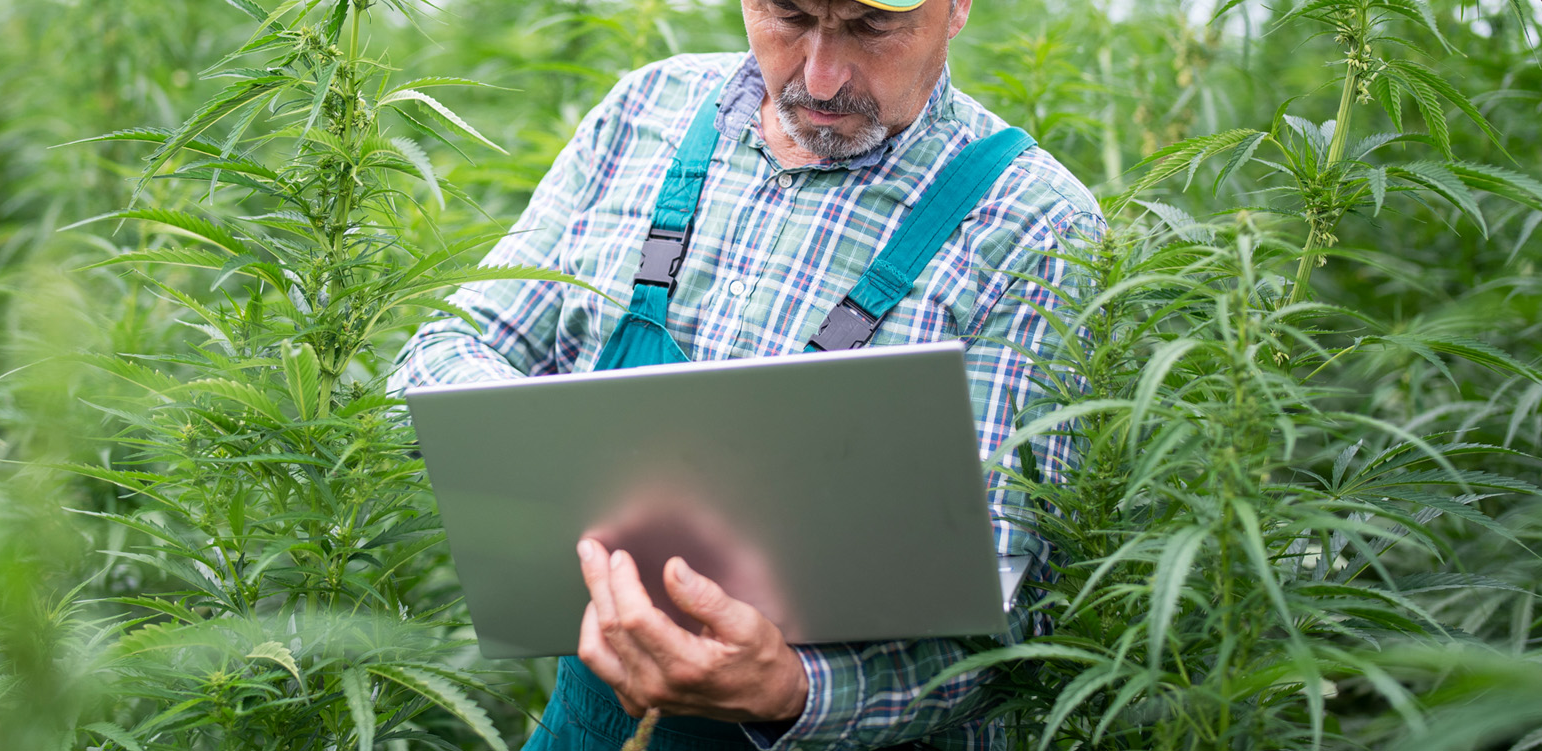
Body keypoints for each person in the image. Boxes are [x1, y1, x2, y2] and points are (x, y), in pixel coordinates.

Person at [394, 0, 1101, 747]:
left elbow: (1016, 613)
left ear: (955, 9)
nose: (821, 77)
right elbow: (450, 343)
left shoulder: (1033, 224)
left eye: (869, 27)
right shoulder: (645, 113)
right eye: (789, 16)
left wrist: (792, 689)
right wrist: (537, 451)